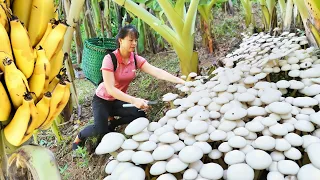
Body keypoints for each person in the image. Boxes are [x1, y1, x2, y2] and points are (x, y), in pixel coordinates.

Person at [72, 24, 185, 150]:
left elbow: (157, 72)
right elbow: (110, 89)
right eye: (131, 40)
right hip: (102, 100)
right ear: (120, 40)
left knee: (140, 114)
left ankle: (113, 123)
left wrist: (180, 81)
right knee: (100, 131)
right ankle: (80, 137)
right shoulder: (109, 59)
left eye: (136, 40)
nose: (134, 43)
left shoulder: (135, 59)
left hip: (117, 101)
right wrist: (134, 100)